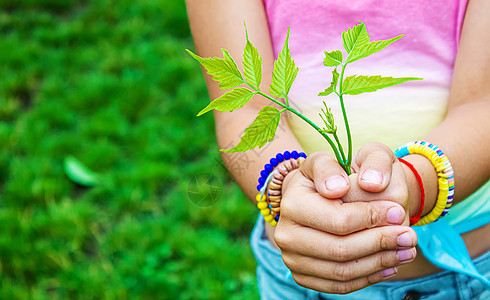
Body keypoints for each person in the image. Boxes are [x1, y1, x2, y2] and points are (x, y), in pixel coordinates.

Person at [186, 0, 490, 298]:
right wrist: (284, 186)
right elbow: (245, 110)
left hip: (466, 275)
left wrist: (414, 184)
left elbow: (482, 106)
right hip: (296, 280)